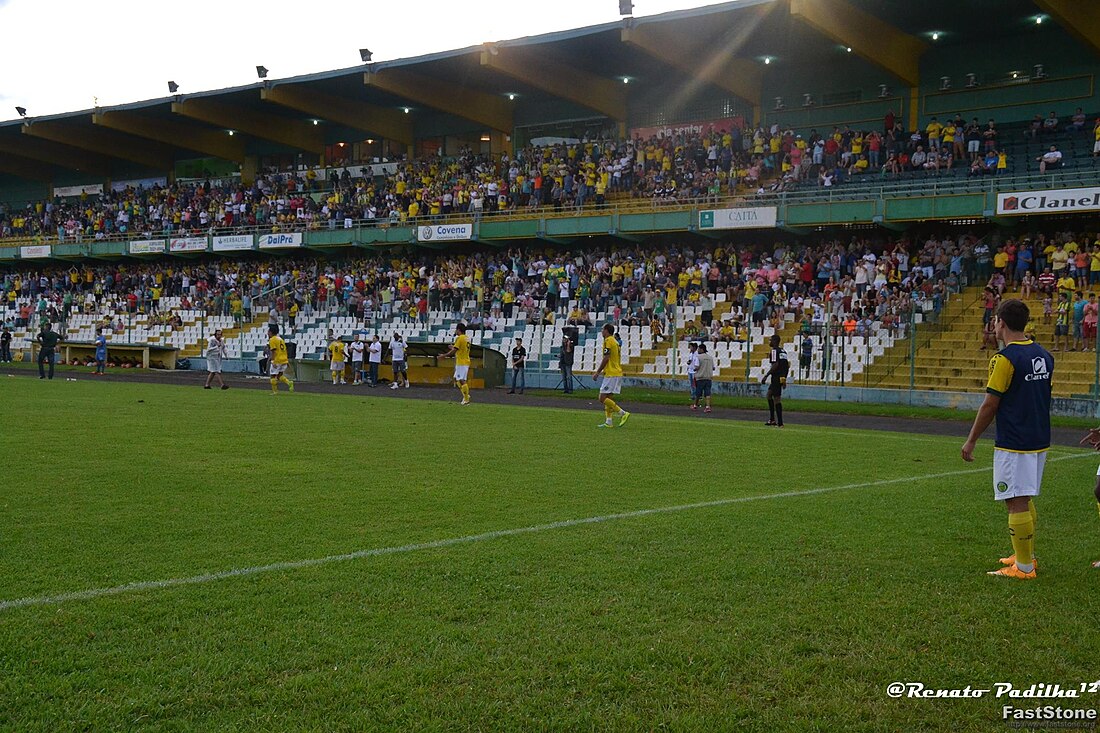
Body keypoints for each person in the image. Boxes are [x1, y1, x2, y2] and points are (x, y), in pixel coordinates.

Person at [962, 299, 1052, 580]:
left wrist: (971, 440)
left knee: (1015, 499)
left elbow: (990, 405)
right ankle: (1025, 554)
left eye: (995, 321)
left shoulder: (1004, 359)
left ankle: (1024, 568)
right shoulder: (1045, 355)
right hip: (1038, 438)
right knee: (1020, 496)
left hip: (1015, 440)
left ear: (1001, 322)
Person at [593, 323, 630, 428]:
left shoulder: (608, 341)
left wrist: (597, 372)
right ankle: (609, 421)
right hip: (616, 372)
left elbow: (606, 357)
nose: (601, 331)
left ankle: (623, 413)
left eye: (602, 329)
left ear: (606, 330)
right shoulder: (615, 341)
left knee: (602, 397)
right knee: (608, 397)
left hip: (612, 373)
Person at [439, 323, 472, 405]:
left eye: (456, 329)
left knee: (461, 380)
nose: (455, 331)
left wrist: (444, 355)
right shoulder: (466, 338)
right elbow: (459, 348)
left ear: (458, 330)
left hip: (462, 362)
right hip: (465, 360)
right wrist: (453, 347)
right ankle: (466, 395)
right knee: (456, 379)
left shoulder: (459, 338)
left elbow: (454, 350)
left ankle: (466, 399)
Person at [761, 334, 789, 427]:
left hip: (776, 377)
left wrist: (766, 375)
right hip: (781, 377)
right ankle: (772, 419)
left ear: (775, 341)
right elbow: (786, 366)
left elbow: (775, 365)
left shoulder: (773, 351)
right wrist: (784, 378)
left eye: (770, 340)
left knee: (777, 399)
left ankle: (780, 423)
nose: (769, 342)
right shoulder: (783, 351)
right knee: (769, 395)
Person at [268, 323, 294, 394]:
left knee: (273, 376)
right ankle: (289, 383)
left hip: (277, 360)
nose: (268, 333)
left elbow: (273, 351)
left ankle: (275, 391)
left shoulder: (272, 340)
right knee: (280, 375)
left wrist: (273, 361)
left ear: (270, 332)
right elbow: (284, 350)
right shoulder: (280, 339)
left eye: (268, 331)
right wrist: (286, 360)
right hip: (284, 360)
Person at [692, 343, 714, 413]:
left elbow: (697, 367)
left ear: (702, 349)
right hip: (708, 377)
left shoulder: (698, 357)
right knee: (707, 393)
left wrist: (695, 369)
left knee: (698, 392)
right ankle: (707, 407)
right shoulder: (710, 358)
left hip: (700, 377)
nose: (698, 350)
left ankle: (695, 405)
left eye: (698, 349)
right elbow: (713, 367)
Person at [686, 341, 699, 407]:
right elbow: (689, 361)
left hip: (694, 371)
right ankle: (693, 395)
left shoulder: (697, 354)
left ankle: (697, 395)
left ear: (694, 347)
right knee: (691, 384)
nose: (690, 348)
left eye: (691, 347)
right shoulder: (691, 354)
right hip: (690, 370)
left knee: (695, 384)